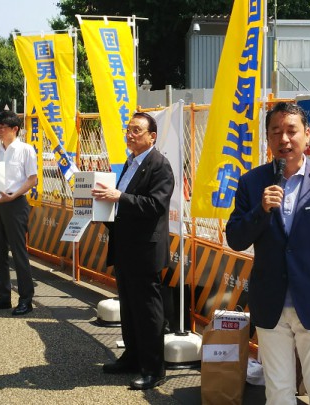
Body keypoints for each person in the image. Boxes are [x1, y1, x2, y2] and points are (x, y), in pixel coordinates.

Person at [226, 102, 310, 404]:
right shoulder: (252, 182)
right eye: (276, 132)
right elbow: (235, 238)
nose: (284, 139)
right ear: (267, 139)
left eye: (291, 131)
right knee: (278, 390)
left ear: (307, 134)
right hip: (270, 303)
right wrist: (260, 210)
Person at [92, 112, 175, 390]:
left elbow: (155, 206)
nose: (130, 134)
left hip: (145, 248)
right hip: (125, 244)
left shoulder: (159, 166)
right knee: (128, 305)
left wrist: (119, 197)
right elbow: (121, 202)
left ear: (152, 136)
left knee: (148, 309)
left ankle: (154, 368)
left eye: (137, 130)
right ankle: (132, 356)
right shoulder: (130, 162)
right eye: (129, 129)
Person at [0, 110, 38, 316]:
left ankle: (26, 299)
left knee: (19, 252)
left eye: (1, 128)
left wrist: (12, 196)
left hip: (16, 204)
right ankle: (3, 296)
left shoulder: (26, 150)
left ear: (15, 129)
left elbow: (32, 179)